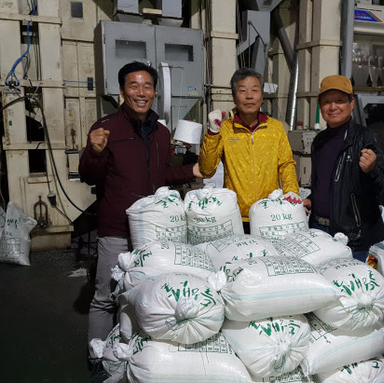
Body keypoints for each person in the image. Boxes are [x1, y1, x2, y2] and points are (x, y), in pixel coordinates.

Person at [79, 61, 200, 376]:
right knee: (105, 296)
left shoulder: (161, 132)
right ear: (122, 91)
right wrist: (94, 152)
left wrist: (192, 171)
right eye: (134, 85)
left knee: (148, 293)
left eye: (147, 86)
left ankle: (138, 358)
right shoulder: (106, 128)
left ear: (155, 92)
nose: (141, 92)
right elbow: (88, 174)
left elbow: (162, 174)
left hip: (153, 232)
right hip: (117, 229)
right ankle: (98, 359)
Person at [304, 74, 384, 262]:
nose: (333, 107)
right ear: (321, 107)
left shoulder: (365, 138)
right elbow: (327, 181)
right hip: (319, 231)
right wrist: (313, 199)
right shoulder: (319, 141)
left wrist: (372, 170)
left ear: (351, 104)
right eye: (327, 102)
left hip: (353, 236)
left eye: (340, 101)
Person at [199, 68, 299, 229]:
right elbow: (207, 169)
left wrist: (291, 191)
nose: (249, 96)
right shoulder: (225, 129)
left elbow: (286, 164)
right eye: (242, 91)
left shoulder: (275, 128)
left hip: (270, 212)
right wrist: (212, 132)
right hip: (236, 215)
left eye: (255, 90)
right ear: (234, 97)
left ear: (262, 96)